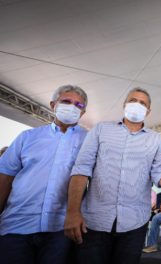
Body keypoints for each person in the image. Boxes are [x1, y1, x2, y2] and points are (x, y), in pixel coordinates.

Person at [63, 87, 161, 264]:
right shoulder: (101, 130)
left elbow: (159, 174)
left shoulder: (155, 139)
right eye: (133, 100)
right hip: (95, 221)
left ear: (148, 111)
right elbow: (81, 170)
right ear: (124, 104)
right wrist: (73, 211)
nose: (137, 105)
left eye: (143, 103)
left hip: (134, 223)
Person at [0, 85, 89, 264]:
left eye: (78, 105)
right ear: (53, 105)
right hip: (17, 224)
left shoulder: (89, 140)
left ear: (83, 112)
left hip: (61, 228)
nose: (72, 107)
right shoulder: (28, 137)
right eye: (66, 101)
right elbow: (5, 176)